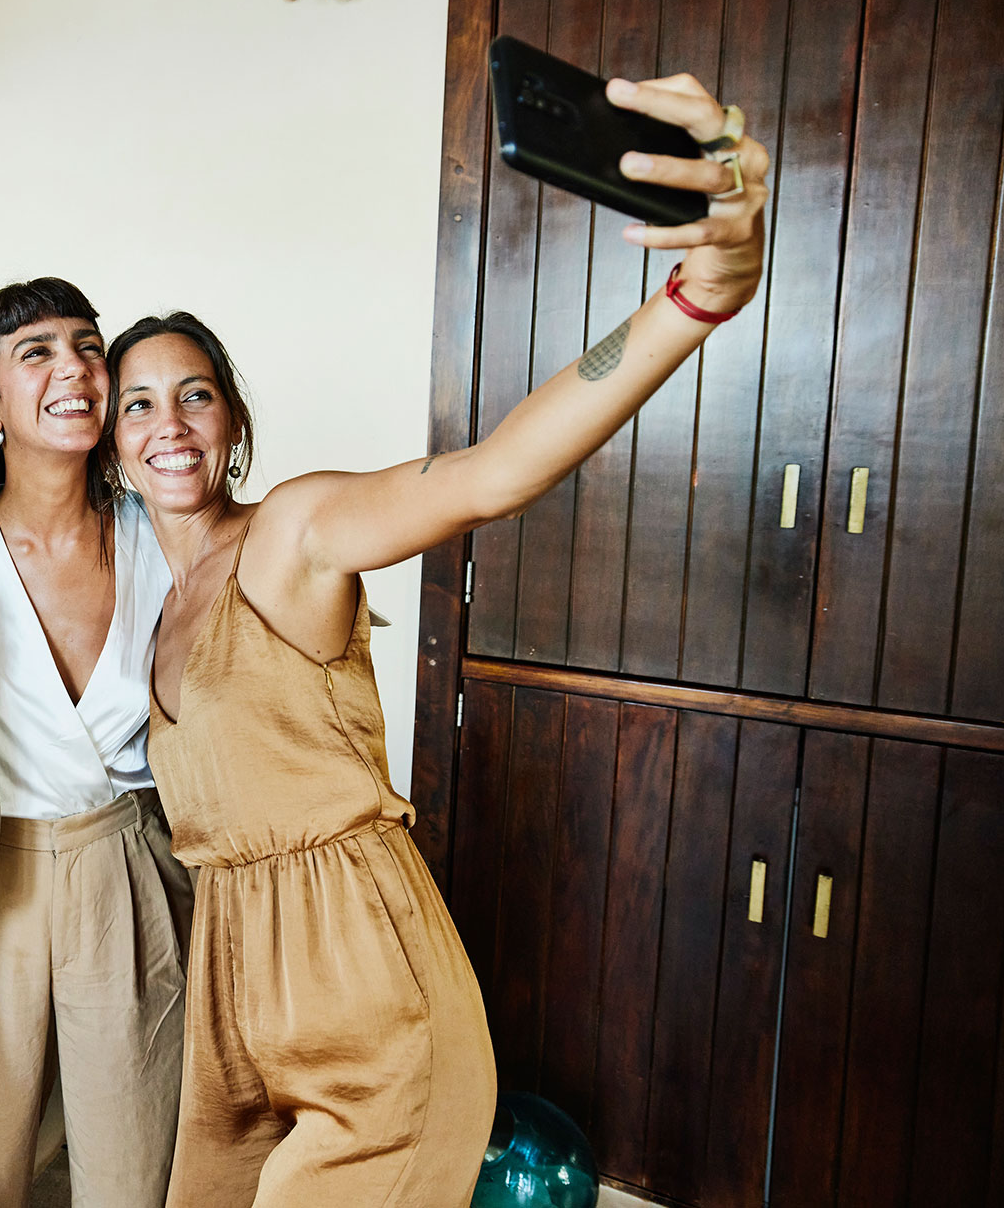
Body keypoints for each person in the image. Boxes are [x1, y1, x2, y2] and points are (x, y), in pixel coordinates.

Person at [108, 75, 771, 1207]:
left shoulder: (295, 531)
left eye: (194, 395)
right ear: (112, 444)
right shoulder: (154, 606)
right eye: (135, 403)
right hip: (235, 1001)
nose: (166, 423)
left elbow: (492, 471)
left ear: (229, 426)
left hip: (369, 995)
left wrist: (696, 295)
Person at [0, 278, 193, 1208]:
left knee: (133, 1155)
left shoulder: (161, 533)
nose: (74, 368)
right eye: (36, 351)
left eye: (87, 345)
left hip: (127, 864)